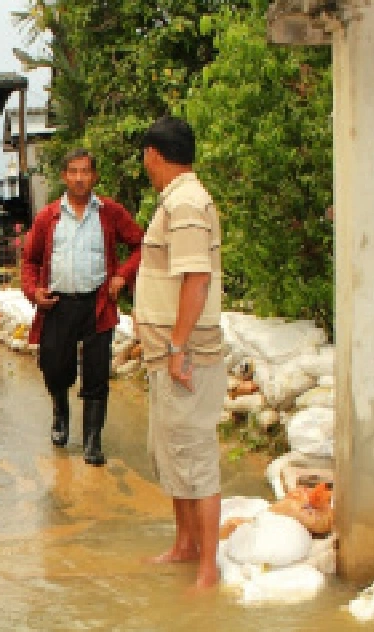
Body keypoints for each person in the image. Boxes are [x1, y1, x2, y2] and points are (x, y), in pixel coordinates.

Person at [134, 116, 227, 589]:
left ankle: (207, 569)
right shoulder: (177, 200)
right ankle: (185, 545)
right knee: (170, 451)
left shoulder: (186, 203)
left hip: (187, 352)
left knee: (194, 454)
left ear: (154, 154)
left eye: (145, 156)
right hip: (168, 351)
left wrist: (177, 346)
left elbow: (196, 277)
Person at [21, 148, 144, 466]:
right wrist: (34, 292)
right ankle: (60, 410)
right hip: (58, 305)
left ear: (94, 176)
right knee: (54, 368)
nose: (79, 178)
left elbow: (139, 245)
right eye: (73, 171)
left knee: (97, 374)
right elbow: (30, 260)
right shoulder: (48, 216)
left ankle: (92, 440)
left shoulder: (110, 212)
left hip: (97, 304)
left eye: (85, 171)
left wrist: (122, 275)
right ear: (64, 176)